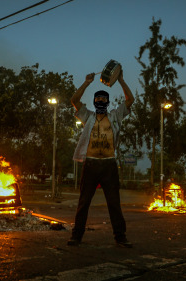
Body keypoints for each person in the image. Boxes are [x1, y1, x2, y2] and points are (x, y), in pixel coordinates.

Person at [68, 69, 134, 248]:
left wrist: (120, 79)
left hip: (109, 165)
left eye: (104, 99)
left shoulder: (115, 116)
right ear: (94, 101)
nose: (100, 101)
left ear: (108, 102)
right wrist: (87, 82)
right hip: (90, 164)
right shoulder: (88, 116)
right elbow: (73, 101)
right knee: (84, 202)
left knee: (114, 203)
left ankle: (120, 237)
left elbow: (130, 100)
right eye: (97, 99)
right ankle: (76, 236)